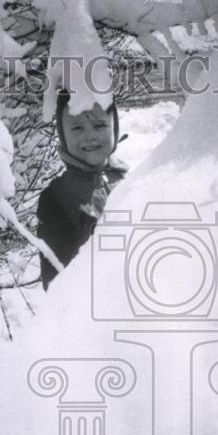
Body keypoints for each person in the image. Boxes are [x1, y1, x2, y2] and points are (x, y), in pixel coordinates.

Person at [37, 90, 127, 288]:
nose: (90, 136)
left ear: (114, 128)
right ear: (62, 135)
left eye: (100, 125)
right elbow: (54, 282)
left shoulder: (128, 179)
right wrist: (90, 228)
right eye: (77, 127)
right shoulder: (55, 198)